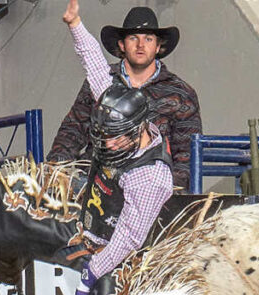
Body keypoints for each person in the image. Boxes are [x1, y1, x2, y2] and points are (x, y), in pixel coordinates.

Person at [47, 5, 201, 191]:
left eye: (148, 38)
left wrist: (169, 190)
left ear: (158, 46)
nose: (140, 45)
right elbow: (74, 128)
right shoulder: (102, 82)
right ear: (122, 44)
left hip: (149, 183)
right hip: (96, 179)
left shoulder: (180, 93)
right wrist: (57, 167)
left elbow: (186, 154)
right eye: (133, 38)